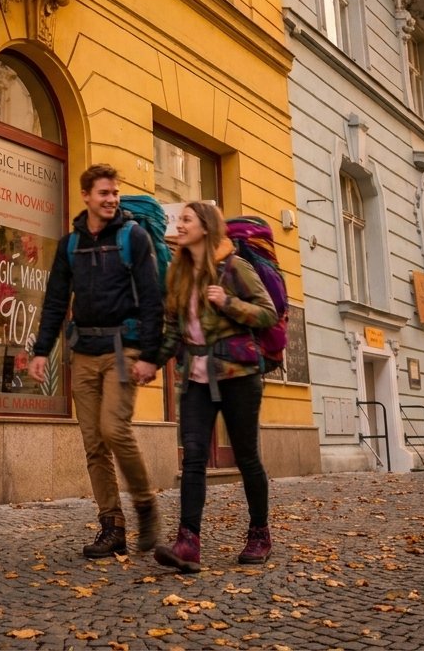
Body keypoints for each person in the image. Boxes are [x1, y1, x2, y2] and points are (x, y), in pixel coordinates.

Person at [29, 164, 164, 558]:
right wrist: (42, 350)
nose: (111, 199)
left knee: (114, 430)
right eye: (104, 193)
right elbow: (55, 301)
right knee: (93, 444)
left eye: (115, 193)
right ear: (86, 195)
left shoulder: (133, 237)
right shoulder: (70, 245)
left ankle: (145, 506)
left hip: (123, 349)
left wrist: (151, 356)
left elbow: (152, 299)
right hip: (84, 352)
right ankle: (112, 525)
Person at [149, 201, 277, 572]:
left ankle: (259, 533)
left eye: (187, 219)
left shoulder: (235, 268)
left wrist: (229, 302)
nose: (180, 225)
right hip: (196, 376)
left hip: (238, 374)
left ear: (205, 227)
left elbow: (267, 312)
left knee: (246, 456)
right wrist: (150, 363)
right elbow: (173, 331)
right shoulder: (177, 273)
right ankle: (187, 542)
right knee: (193, 457)